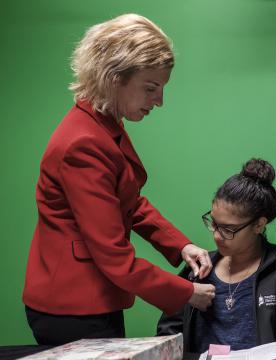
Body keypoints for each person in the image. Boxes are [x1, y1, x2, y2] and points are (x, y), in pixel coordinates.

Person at [22, 14, 215, 345]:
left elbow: (127, 200)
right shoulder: (83, 143)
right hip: (73, 307)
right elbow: (114, 256)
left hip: (89, 298)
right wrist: (186, 292)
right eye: (151, 88)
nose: (159, 101)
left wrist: (180, 245)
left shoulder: (102, 123)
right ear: (113, 78)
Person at [157, 159, 276, 352]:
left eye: (229, 229)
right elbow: (167, 334)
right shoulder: (198, 268)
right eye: (214, 223)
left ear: (259, 225)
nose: (217, 235)